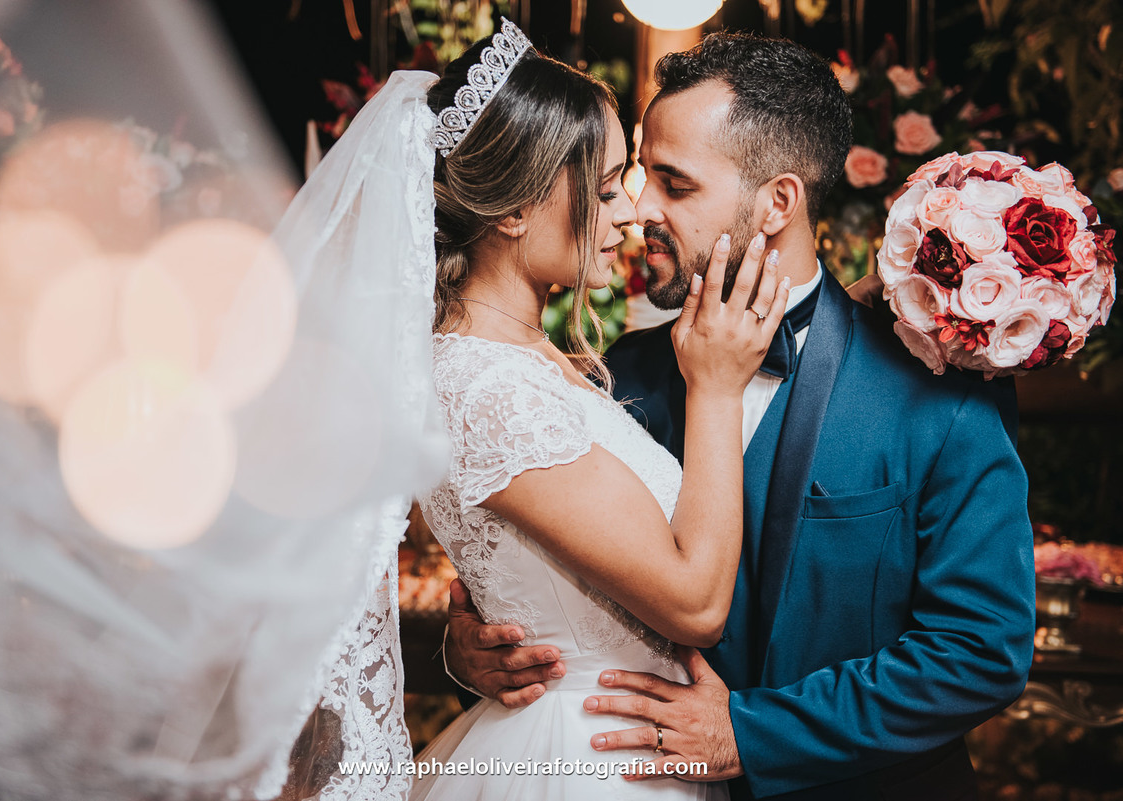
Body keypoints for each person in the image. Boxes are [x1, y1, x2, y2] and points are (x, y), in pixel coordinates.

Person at [444, 32, 1035, 801]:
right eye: (638, 175)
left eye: (674, 183)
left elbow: (980, 650)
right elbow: (535, 577)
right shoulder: (614, 375)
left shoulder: (936, 389)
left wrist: (752, 734)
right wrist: (472, 648)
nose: (638, 209)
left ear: (777, 202)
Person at [410, 20, 792, 801]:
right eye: (609, 183)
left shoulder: (525, 359)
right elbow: (695, 603)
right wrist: (716, 389)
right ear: (516, 209)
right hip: (590, 760)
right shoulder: (487, 387)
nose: (629, 212)